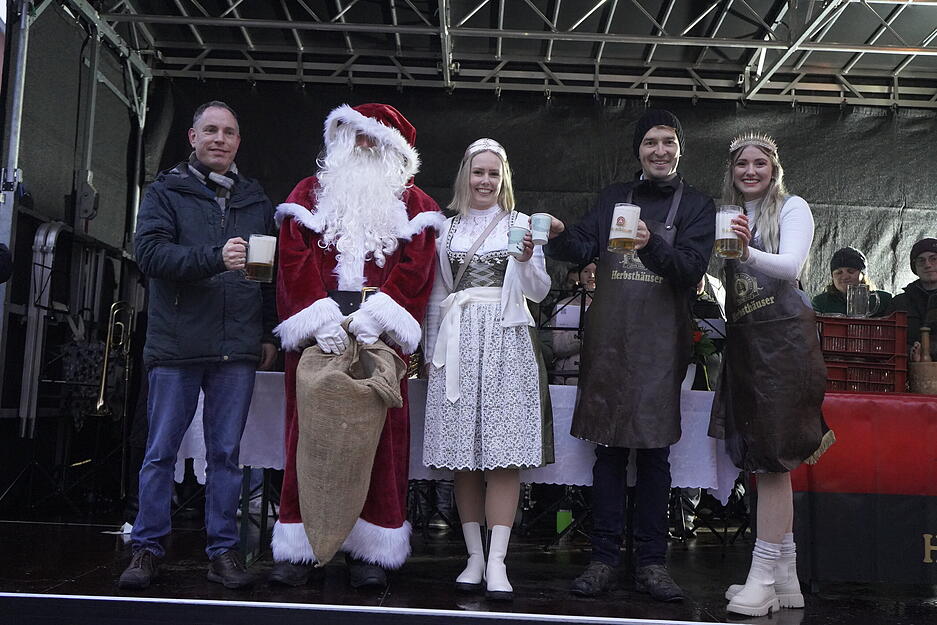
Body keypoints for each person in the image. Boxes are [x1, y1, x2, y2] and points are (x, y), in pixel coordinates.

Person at [545, 109, 715, 602]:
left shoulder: (698, 207)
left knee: (656, 454)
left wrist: (649, 246)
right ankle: (602, 558)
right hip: (610, 341)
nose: (659, 150)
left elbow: (689, 270)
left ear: (679, 149)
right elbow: (583, 245)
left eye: (667, 142)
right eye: (650, 143)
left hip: (661, 346)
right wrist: (558, 234)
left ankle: (652, 563)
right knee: (609, 451)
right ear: (638, 151)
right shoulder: (612, 197)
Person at [270, 103, 442, 588]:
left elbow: (418, 269)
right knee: (308, 433)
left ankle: (370, 548)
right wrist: (315, 316)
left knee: (381, 440)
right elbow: (291, 259)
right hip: (317, 332)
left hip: (380, 337)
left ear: (395, 150)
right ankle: (300, 545)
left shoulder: (418, 206)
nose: (363, 146)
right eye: (356, 136)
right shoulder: (308, 194)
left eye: (375, 139)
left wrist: (379, 316)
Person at [119, 101, 278, 590]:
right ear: (191, 137)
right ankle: (147, 547)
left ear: (237, 142)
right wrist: (214, 257)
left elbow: (269, 276)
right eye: (210, 130)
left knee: (227, 455)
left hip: (237, 348)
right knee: (160, 453)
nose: (219, 139)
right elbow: (148, 254)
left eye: (229, 132)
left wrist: (268, 330)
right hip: (177, 346)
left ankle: (224, 553)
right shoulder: (165, 191)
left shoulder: (256, 200)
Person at [422, 138, 553, 601]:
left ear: (504, 179)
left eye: (493, 174)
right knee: (464, 457)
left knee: (502, 456)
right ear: (465, 175)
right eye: (478, 172)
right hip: (456, 343)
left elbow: (539, 290)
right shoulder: (447, 229)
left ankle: (498, 559)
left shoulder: (521, 225)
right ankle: (473, 555)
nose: (485, 181)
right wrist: (429, 350)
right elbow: (438, 294)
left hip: (506, 339)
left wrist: (525, 259)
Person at [709, 133, 831, 617]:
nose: (751, 171)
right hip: (750, 346)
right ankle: (786, 579)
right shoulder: (734, 215)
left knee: (774, 465)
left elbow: (792, 265)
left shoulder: (793, 207)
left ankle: (761, 575)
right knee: (765, 461)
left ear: (775, 168)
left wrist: (744, 252)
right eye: (743, 164)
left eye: (760, 163)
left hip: (785, 345)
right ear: (732, 171)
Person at [548, 261, 596, 385]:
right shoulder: (563, 305)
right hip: (568, 376)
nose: (592, 276)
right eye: (586, 271)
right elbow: (557, 346)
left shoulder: (611, 306)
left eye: (596, 272)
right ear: (579, 276)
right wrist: (583, 335)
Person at [890, 237, 937, 361]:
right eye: (921, 261)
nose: (928, 264)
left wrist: (929, 353)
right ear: (914, 267)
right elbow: (886, 341)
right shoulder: (899, 303)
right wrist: (910, 353)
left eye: (934, 259)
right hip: (907, 374)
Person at [811, 246, 892, 316]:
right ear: (832, 277)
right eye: (839, 273)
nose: (845, 276)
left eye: (851, 271)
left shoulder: (884, 300)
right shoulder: (820, 303)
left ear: (863, 275)